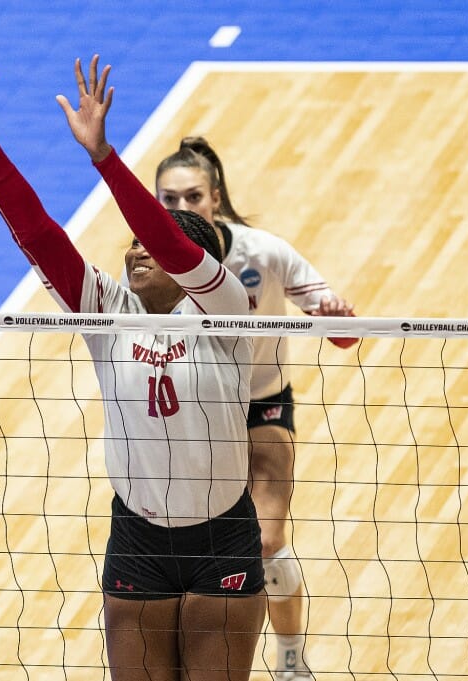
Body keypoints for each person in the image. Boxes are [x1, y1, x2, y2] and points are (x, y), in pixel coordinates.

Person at [0, 45, 265, 681]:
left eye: (157, 242)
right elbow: (39, 235)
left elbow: (166, 237)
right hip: (139, 536)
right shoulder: (108, 311)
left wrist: (103, 156)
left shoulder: (226, 311)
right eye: (131, 242)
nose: (139, 250)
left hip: (222, 538)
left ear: (202, 265)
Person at [155, 136, 358, 680]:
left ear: (215, 198)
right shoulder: (150, 265)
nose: (180, 210)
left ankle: (290, 657)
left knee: (266, 540)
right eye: (168, 201)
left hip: (262, 405)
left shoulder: (262, 252)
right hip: (193, 414)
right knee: (188, 546)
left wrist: (336, 316)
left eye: (191, 197)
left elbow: (340, 327)